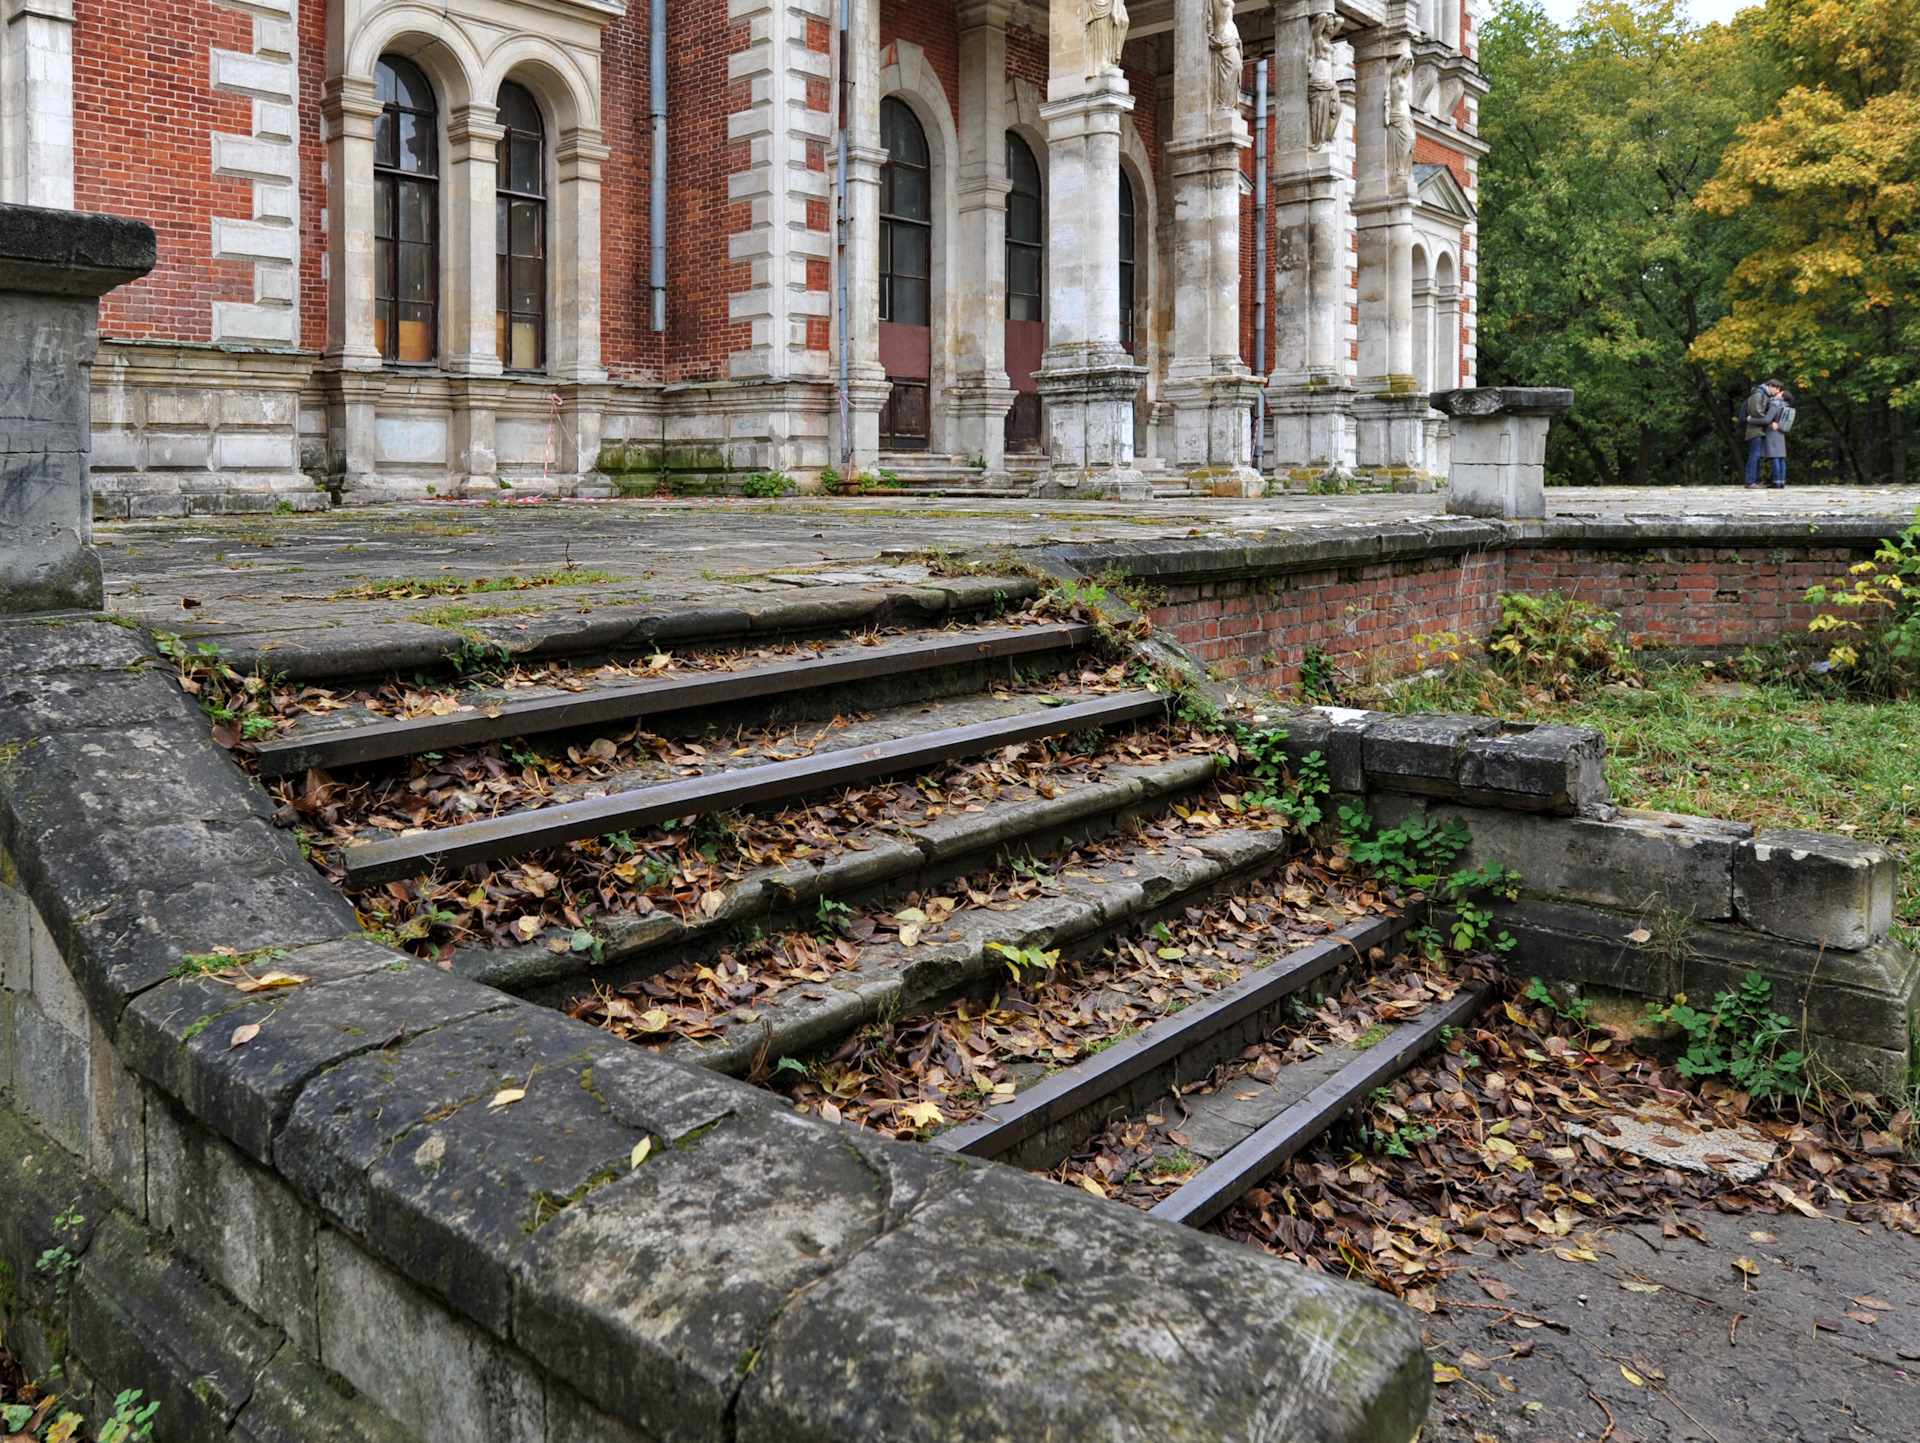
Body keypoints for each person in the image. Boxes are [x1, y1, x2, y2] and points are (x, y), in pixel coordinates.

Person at [1741, 379, 1785, 488]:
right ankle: (1750, 481)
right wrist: (1768, 420)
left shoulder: (1764, 395)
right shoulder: (1758, 394)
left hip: (1760, 429)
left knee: (1757, 456)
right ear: (1770, 386)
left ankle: (1755, 480)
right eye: (1777, 388)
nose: (1777, 391)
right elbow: (1756, 412)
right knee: (1754, 456)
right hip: (1755, 430)